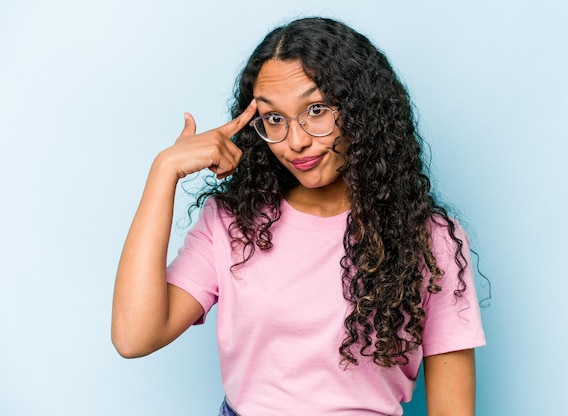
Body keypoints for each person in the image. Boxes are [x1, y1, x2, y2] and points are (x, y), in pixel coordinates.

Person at [112, 17, 486, 416]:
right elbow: (135, 337)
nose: (296, 140)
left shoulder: (429, 238)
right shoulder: (233, 223)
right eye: (275, 118)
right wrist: (164, 171)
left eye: (317, 110)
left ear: (361, 111)